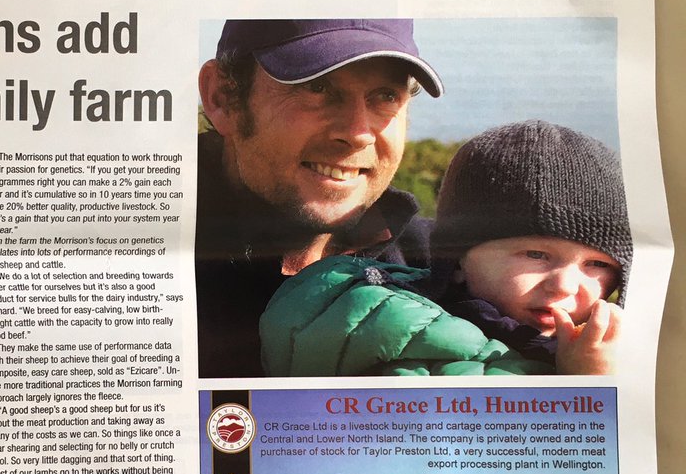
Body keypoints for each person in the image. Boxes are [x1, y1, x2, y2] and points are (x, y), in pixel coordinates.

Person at [260, 120, 630, 377]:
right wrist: (587, 387)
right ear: (456, 260)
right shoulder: (414, 350)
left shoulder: (612, 344)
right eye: (536, 255)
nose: (565, 286)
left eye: (596, 263)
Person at [195, 18, 444, 377]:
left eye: (386, 96)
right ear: (223, 98)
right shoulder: (138, 261)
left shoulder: (444, 263)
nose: (358, 134)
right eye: (318, 87)